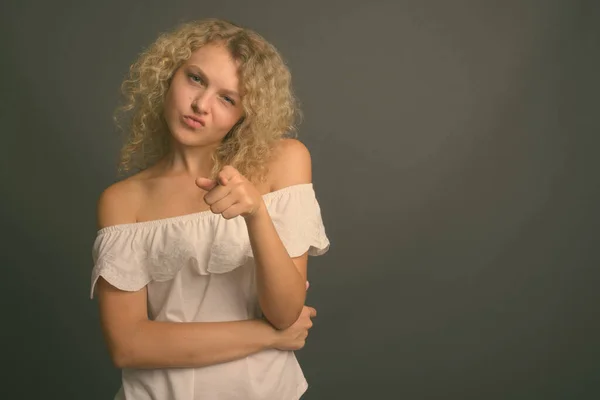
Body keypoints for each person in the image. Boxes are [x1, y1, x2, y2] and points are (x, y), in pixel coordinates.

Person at [90, 18, 330, 400]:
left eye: (227, 98)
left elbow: (286, 310)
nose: (201, 105)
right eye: (196, 79)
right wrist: (268, 335)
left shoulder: (284, 161)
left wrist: (256, 214)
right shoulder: (122, 200)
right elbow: (129, 345)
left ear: (244, 115)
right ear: (168, 76)